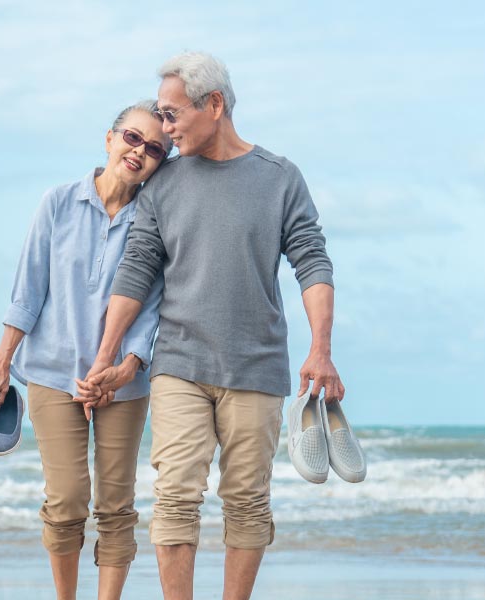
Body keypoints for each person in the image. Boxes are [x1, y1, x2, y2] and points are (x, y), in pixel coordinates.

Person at [77, 52, 343, 600]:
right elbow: (136, 269)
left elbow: (311, 261)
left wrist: (321, 349)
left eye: (172, 116)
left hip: (256, 365)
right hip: (180, 363)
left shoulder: (279, 178)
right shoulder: (164, 184)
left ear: (214, 105)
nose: (166, 131)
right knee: (175, 495)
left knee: (247, 499)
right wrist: (106, 355)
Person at [0, 100, 169, 600]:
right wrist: (0, 365)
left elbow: (153, 307)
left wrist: (125, 369)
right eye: (131, 137)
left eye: (154, 149)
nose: (139, 151)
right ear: (109, 138)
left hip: (123, 383)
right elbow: (28, 290)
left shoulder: (157, 221)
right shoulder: (57, 202)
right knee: (65, 501)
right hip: (52, 374)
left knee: (116, 504)